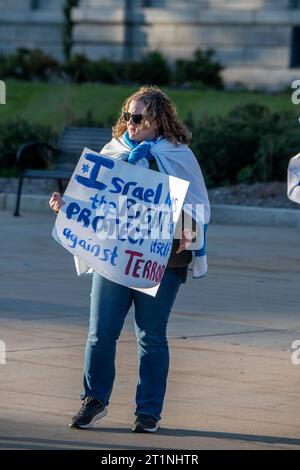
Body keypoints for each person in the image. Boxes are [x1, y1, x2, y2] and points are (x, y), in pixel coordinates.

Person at [49, 85, 210, 433]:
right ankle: (93, 401)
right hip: (114, 256)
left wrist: (190, 233)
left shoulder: (177, 154)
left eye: (137, 117)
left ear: (157, 120)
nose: (130, 123)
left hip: (163, 260)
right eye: (127, 116)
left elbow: (197, 203)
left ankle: (148, 412)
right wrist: (68, 207)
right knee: (100, 333)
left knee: (151, 336)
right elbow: (94, 197)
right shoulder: (114, 150)